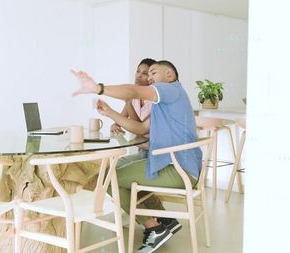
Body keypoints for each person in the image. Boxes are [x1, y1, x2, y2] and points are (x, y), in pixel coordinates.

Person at [72, 60, 202, 253]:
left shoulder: (170, 89)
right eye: (147, 75)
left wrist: (97, 88)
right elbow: (140, 128)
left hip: (177, 169)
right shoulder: (169, 102)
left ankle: (153, 227)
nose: (149, 78)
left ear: (169, 75)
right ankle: (163, 219)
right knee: (113, 173)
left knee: (108, 179)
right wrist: (109, 112)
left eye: (153, 73)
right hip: (180, 166)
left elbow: (133, 91)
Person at [111, 58, 156, 168]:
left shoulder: (156, 101)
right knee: (110, 165)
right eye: (138, 71)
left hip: (154, 155)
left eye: (144, 73)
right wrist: (114, 125)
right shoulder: (134, 98)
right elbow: (119, 121)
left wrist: (128, 102)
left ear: (151, 78)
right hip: (142, 152)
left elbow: (142, 130)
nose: (138, 75)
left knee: (112, 169)